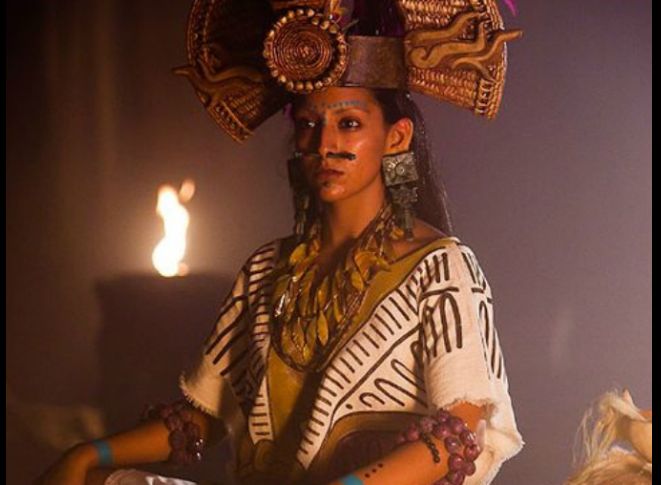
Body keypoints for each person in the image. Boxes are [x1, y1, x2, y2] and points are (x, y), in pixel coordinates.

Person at [35, 1, 523, 484]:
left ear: (396, 138)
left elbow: (460, 432)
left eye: (349, 123)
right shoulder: (266, 268)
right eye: (309, 124)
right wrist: (88, 454)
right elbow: (201, 419)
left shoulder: (440, 267)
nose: (324, 144)